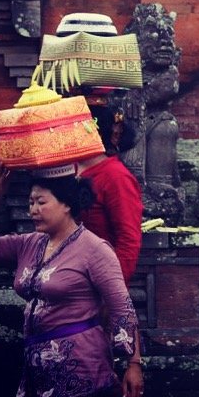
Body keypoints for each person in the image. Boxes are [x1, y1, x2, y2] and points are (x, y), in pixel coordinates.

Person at [0, 161, 143, 397]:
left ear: (67, 205)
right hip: (37, 367)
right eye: (31, 202)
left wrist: (134, 363)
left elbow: (121, 307)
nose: (33, 210)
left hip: (81, 367)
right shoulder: (30, 243)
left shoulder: (94, 249)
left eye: (42, 202)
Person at [78, 106, 144, 282]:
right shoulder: (66, 171)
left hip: (97, 280)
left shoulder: (116, 177)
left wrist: (112, 290)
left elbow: (128, 240)